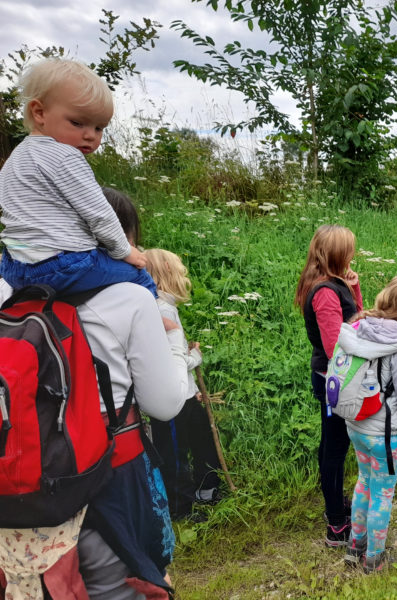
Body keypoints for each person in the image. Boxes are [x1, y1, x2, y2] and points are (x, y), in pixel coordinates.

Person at [0, 189, 189, 599]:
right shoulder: (131, 298)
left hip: (24, 474)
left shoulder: (8, 290)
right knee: (116, 587)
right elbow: (165, 403)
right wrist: (176, 346)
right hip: (110, 470)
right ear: (118, 238)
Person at [0, 58, 154, 296]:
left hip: (14, 268)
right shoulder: (65, 156)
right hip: (61, 266)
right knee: (139, 276)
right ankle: (163, 327)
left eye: (99, 128)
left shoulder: (15, 159)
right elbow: (100, 215)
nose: (90, 136)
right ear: (39, 112)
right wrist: (125, 251)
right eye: (77, 122)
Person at [337, 276, 397, 573]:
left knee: (364, 482)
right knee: (383, 493)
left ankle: (355, 546)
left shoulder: (359, 328)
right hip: (385, 436)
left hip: (356, 424)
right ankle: (374, 558)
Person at [294, 225, 363, 545]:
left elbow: (355, 319)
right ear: (337, 254)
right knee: (334, 449)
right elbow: (338, 343)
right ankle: (336, 522)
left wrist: (354, 287)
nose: (353, 254)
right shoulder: (324, 292)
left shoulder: (334, 285)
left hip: (337, 377)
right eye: (348, 249)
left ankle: (337, 505)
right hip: (334, 380)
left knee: (334, 445)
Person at [145, 248, 223, 520]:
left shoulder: (167, 307)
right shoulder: (160, 308)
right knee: (175, 453)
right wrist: (194, 357)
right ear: (166, 269)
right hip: (171, 397)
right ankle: (180, 508)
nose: (184, 275)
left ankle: (206, 490)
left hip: (185, 393)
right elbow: (168, 361)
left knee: (201, 441)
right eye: (180, 269)